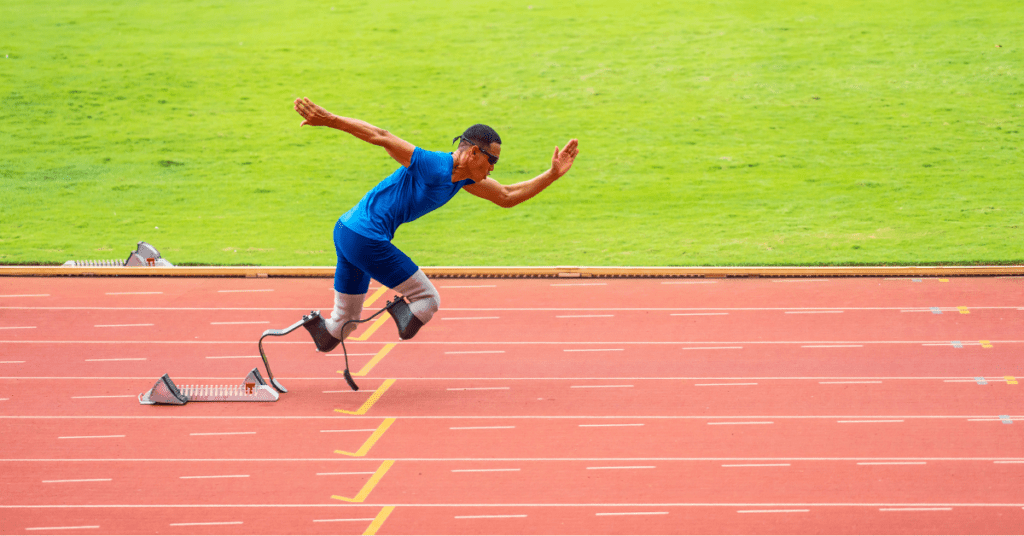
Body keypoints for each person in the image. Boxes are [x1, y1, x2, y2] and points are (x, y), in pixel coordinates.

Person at [292, 97, 579, 351]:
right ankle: (400, 311)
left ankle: (313, 330)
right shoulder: (432, 164)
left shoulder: (464, 179)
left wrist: (552, 175)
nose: (492, 168)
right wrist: (329, 120)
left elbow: (506, 196)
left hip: (346, 231)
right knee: (427, 300)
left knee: (343, 325)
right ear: (473, 153)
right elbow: (381, 135)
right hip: (365, 238)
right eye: (491, 161)